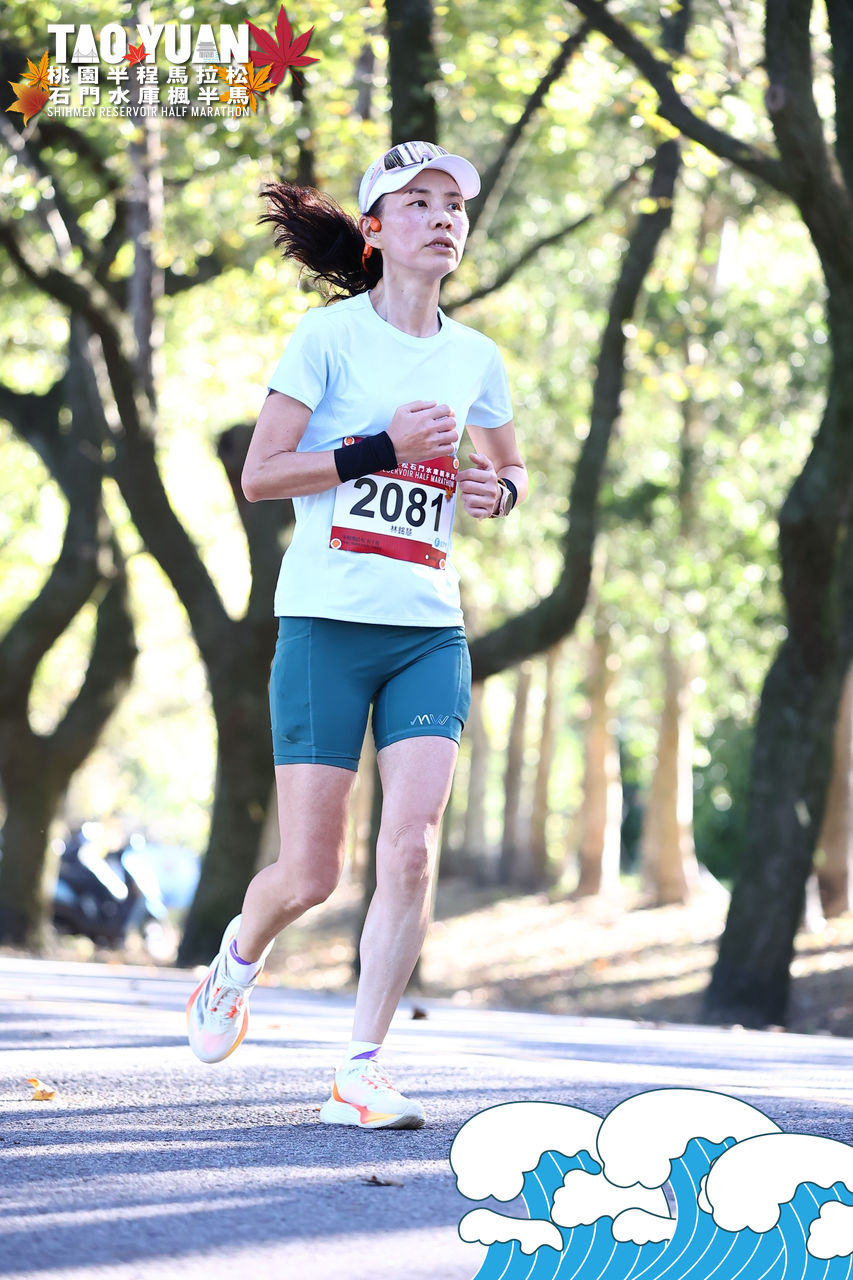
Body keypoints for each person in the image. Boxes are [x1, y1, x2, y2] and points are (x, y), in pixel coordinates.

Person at [186, 140, 528, 1129]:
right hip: (326, 626)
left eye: (453, 204)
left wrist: (496, 491)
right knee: (312, 873)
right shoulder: (326, 339)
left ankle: (361, 1070)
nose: (442, 216)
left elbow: (508, 467)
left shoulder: (475, 358)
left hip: (427, 629)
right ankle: (236, 959)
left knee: (410, 849)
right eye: (417, 202)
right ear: (374, 230)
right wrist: (382, 446)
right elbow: (261, 475)